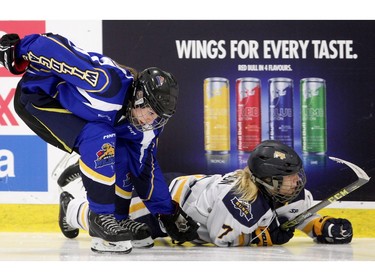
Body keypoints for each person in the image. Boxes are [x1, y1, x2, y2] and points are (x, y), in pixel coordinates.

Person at [0, 33, 199, 253]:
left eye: (159, 117)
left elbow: (143, 171)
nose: (151, 121)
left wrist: (167, 212)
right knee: (100, 135)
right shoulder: (105, 84)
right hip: (39, 98)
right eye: (150, 112)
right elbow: (54, 46)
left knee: (123, 152)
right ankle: (101, 218)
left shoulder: (147, 128)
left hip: (79, 113)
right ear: (139, 96)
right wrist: (17, 51)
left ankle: (118, 218)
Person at [57, 140, 353, 247]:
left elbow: (296, 215)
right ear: (267, 182)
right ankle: (71, 205)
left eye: (295, 175)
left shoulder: (283, 191)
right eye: (287, 178)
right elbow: (222, 238)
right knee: (115, 223)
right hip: (170, 206)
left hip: (191, 196)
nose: (295, 183)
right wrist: (264, 236)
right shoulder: (239, 198)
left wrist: (320, 226)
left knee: (141, 241)